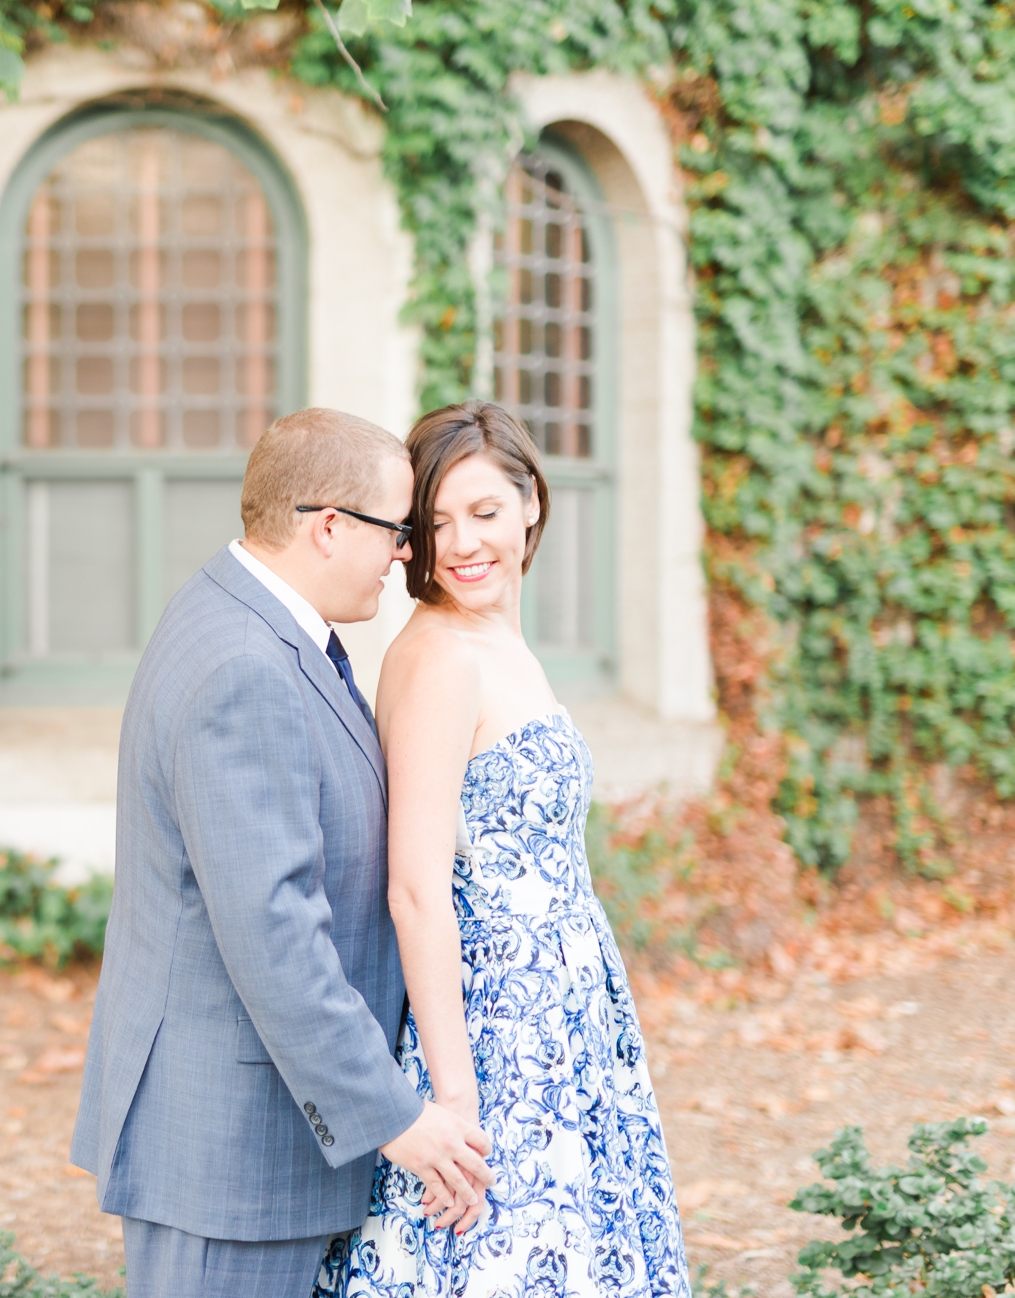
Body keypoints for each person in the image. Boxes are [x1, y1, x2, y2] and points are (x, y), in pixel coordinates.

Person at [71, 408, 494, 1298]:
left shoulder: (248, 619)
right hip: (229, 1147)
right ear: (329, 524)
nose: (407, 556)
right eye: (399, 529)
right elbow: (273, 934)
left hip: (242, 1130)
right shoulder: (244, 666)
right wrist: (394, 1114)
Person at [316, 400, 690, 1298]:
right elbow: (414, 888)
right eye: (436, 522)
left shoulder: (495, 638)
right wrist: (455, 1099)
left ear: (531, 504)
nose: (461, 544)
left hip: (568, 1016)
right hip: (496, 1031)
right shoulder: (442, 655)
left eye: (483, 512)